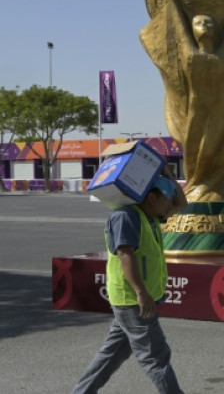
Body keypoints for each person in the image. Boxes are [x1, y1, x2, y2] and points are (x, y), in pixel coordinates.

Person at [72, 166, 187, 394]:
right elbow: (126, 255)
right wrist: (142, 294)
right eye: (166, 199)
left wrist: (170, 176)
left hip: (134, 299)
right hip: (133, 299)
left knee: (113, 353)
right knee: (156, 358)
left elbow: (181, 205)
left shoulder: (150, 215)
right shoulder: (126, 217)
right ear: (151, 197)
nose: (169, 206)